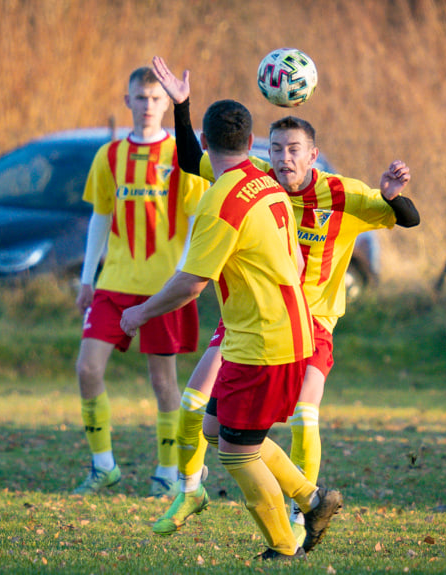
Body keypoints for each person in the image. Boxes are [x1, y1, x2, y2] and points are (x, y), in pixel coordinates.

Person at [148, 56, 419, 545]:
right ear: (261, 150)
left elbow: (408, 218)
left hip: (310, 321)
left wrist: (392, 194)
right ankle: (208, 490)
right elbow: (193, 160)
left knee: (296, 418)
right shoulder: (255, 180)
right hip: (248, 318)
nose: (284, 158)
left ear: (313, 155)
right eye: (276, 149)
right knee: (208, 422)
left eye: (294, 149)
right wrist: (183, 106)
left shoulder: (343, 194)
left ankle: (297, 523)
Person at [120, 99, 343, 561]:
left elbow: (190, 283)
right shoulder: (267, 180)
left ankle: (284, 547)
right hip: (275, 332)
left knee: (238, 454)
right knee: (216, 428)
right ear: (250, 143)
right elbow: (297, 260)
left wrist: (139, 314)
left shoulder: (219, 203)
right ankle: (314, 499)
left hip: (265, 342)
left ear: (206, 143)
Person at [72, 66, 208, 497]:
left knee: (163, 382)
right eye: (140, 98)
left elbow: (192, 222)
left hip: (161, 288)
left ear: (166, 103)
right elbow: (100, 216)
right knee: (87, 369)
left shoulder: (181, 156)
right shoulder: (109, 156)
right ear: (126, 100)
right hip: (113, 283)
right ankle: (103, 466)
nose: (148, 106)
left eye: (155, 99)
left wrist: (182, 276)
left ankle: (168, 473)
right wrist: (87, 276)